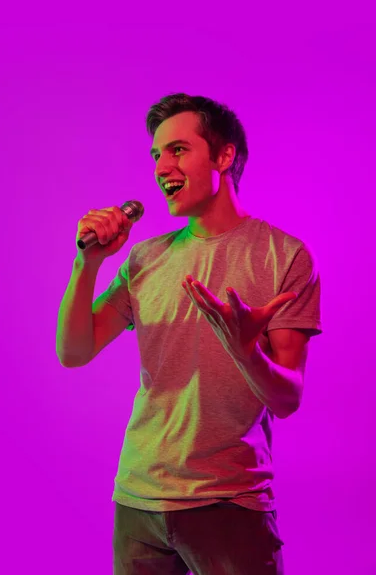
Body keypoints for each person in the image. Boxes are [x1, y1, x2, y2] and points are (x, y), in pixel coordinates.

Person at [56, 93, 322, 574]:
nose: (161, 166)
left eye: (177, 150)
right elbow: (74, 351)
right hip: (138, 500)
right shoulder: (145, 259)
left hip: (229, 503)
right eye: (156, 154)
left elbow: (288, 399)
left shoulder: (284, 256)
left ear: (224, 156)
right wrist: (86, 264)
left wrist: (246, 352)